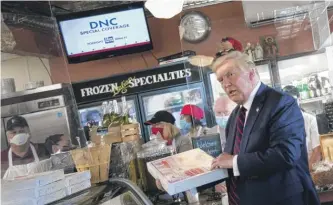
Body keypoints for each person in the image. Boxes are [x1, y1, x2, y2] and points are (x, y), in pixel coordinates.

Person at [210, 51, 319, 205]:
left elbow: (285, 154)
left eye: (230, 74)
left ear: (252, 74)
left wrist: (233, 162)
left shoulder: (281, 103)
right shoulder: (236, 115)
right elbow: (232, 156)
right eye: (221, 80)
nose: (226, 84)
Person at [283, 85, 322, 170]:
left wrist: (306, 173)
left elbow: (317, 150)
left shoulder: (310, 120)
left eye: (293, 100)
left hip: (309, 169)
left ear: (299, 99)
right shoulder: (281, 124)